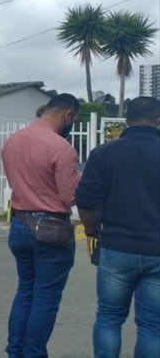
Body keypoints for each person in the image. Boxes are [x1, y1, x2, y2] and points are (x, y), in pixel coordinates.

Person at [75, 96, 160, 358]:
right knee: (152, 326)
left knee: (109, 318)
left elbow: (86, 202)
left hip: (115, 247)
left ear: (126, 120)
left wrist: (91, 232)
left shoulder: (103, 154)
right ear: (159, 120)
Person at [1, 93, 81, 358]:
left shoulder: (12, 142)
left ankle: (15, 351)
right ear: (68, 115)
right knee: (45, 298)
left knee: (25, 291)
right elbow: (69, 196)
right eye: (73, 120)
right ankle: (34, 354)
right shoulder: (62, 148)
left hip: (20, 222)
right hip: (51, 228)